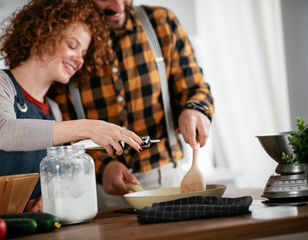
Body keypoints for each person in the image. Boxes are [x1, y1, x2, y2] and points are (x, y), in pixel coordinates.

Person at [0, 0, 143, 212]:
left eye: (83, 54)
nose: (79, 60)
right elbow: (5, 133)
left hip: (13, 222)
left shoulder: (53, 109)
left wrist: (47, 196)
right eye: (73, 46)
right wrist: (89, 127)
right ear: (41, 35)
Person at [48, 0, 214, 208]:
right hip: (98, 188)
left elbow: (195, 88)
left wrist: (194, 110)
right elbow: (61, 128)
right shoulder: (70, 41)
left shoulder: (162, 23)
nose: (118, 6)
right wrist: (103, 167)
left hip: (166, 179)